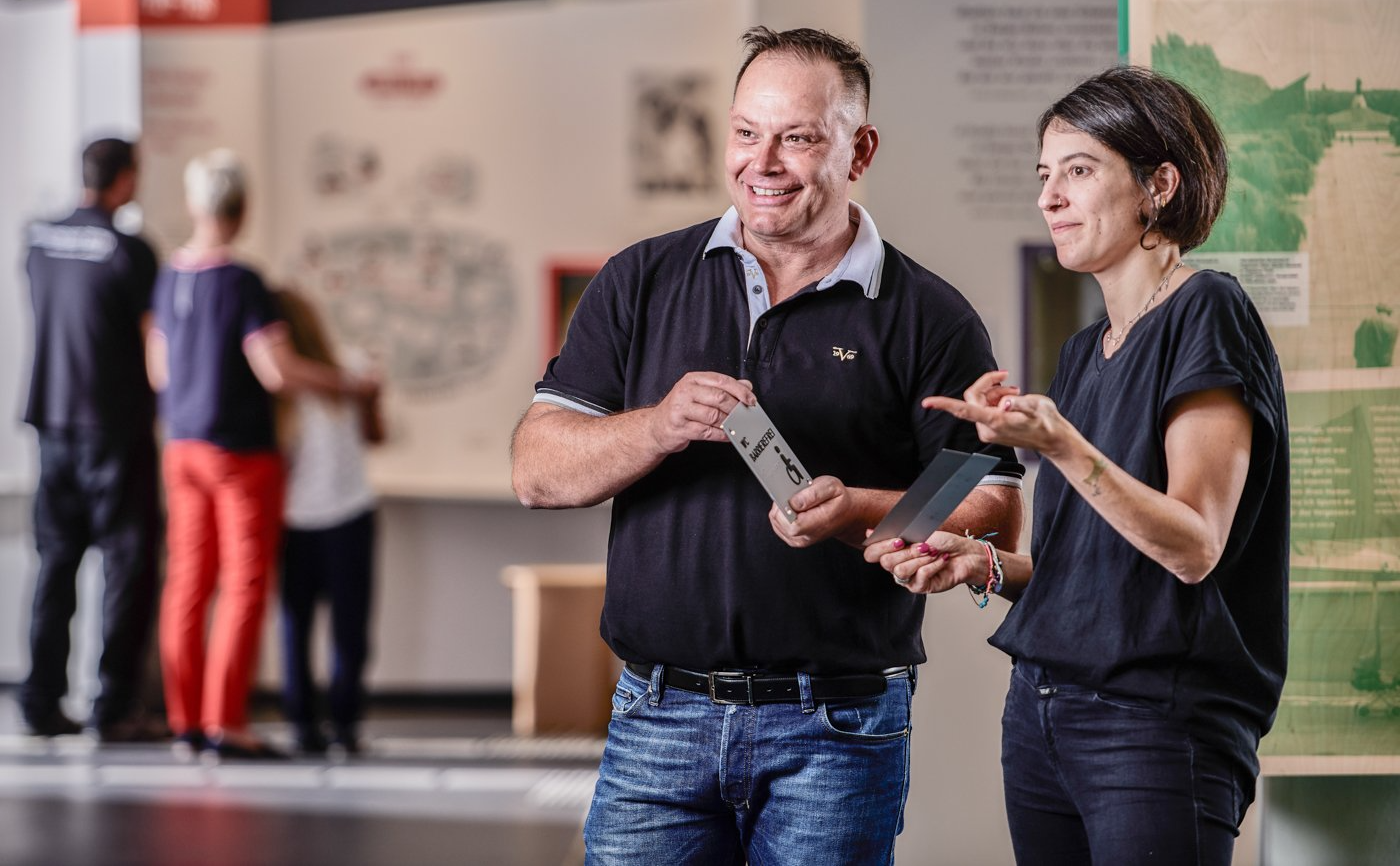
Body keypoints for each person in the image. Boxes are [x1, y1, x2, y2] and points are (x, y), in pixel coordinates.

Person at [511, 27, 1024, 864]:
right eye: (748, 132)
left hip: (839, 727)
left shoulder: (929, 315)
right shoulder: (641, 280)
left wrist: (864, 510)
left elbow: (995, 511)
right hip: (656, 719)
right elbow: (536, 471)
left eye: (798, 137)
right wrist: (658, 424)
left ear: (860, 150)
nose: (764, 161)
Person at [866, 66, 1289, 864]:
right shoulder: (1082, 353)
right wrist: (980, 562)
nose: (1048, 197)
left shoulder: (1209, 312)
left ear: (1158, 184)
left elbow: (1194, 546)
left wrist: (1062, 444)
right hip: (1041, 713)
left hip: (1154, 730)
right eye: (1044, 175)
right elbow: (1089, 569)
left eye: (1079, 170)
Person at [147, 149, 374, 761]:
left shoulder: (169, 276)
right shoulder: (243, 282)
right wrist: (347, 384)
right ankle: (226, 723)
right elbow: (275, 371)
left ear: (195, 205)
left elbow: (158, 368)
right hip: (240, 453)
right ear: (242, 209)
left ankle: (185, 724)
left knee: (187, 585)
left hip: (181, 446)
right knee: (244, 586)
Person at [18, 137, 164, 742]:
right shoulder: (130, 251)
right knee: (128, 567)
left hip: (52, 424)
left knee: (56, 565)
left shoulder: (37, 240)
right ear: (126, 179)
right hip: (114, 428)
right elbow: (156, 346)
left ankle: (40, 701)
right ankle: (115, 706)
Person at [271, 288, 383, 757]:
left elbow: (376, 433)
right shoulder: (278, 386)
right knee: (331, 628)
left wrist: (370, 396)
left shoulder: (348, 368)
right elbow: (377, 435)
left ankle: (327, 722)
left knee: (317, 627)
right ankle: (331, 723)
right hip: (306, 519)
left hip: (340, 513)